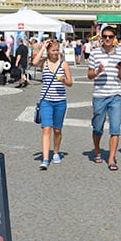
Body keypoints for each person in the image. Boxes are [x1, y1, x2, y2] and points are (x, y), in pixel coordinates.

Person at [87, 26, 121, 170]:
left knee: (115, 128)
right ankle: (97, 150)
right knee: (98, 128)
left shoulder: (120, 54)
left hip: (115, 95)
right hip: (99, 95)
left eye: (110, 36)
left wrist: (120, 69)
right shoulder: (95, 53)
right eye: (105, 36)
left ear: (114, 38)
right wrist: (98, 71)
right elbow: (89, 75)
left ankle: (111, 158)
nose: (107, 39)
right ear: (101, 37)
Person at [32, 39, 73, 169]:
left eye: (57, 50)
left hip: (60, 101)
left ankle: (55, 152)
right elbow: (34, 62)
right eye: (53, 50)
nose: (56, 53)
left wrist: (63, 80)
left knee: (57, 130)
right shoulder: (44, 63)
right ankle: (45, 159)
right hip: (46, 101)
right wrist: (42, 47)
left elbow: (70, 83)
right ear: (48, 51)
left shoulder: (63, 64)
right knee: (46, 128)